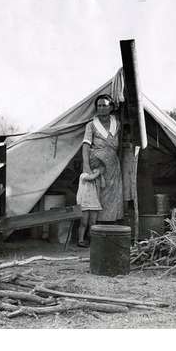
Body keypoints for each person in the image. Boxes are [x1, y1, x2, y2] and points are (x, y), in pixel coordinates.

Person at [78, 94, 124, 246]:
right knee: (97, 197)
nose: (102, 108)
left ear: (111, 107)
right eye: (99, 106)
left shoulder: (116, 122)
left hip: (113, 163)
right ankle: (95, 233)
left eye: (105, 105)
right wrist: (86, 166)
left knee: (113, 195)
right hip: (97, 163)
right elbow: (85, 145)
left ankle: (110, 230)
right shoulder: (91, 125)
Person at [76, 164, 106, 247]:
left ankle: (91, 240)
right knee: (83, 223)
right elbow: (90, 178)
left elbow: (103, 185)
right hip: (84, 202)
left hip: (94, 202)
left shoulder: (96, 177)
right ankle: (80, 240)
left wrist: (101, 175)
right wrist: (98, 172)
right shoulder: (83, 175)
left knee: (92, 223)